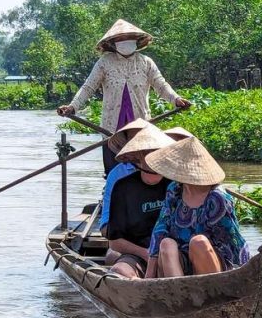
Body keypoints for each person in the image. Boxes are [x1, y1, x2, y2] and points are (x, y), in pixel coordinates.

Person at [56, 19, 191, 174]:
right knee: (113, 171)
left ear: (136, 41)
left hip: (141, 125)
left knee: (142, 168)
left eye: (128, 38)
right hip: (111, 127)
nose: (124, 42)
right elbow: (89, 87)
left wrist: (176, 99)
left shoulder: (146, 62)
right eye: (120, 39)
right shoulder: (104, 62)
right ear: (113, 43)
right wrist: (73, 106)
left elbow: (161, 84)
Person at [144, 136, 250, 277]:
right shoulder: (174, 190)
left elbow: (232, 242)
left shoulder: (217, 198)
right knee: (166, 244)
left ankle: (213, 293)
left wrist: (243, 277)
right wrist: (148, 277)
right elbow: (160, 229)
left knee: (198, 242)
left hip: (217, 267)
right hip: (181, 265)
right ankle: (180, 291)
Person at [105, 126, 177, 279]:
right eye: (147, 153)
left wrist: (160, 255)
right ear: (137, 156)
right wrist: (147, 254)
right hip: (138, 253)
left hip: (172, 252)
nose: (153, 157)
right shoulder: (123, 187)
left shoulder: (176, 185)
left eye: (158, 152)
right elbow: (115, 242)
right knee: (119, 272)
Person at [99, 120, 192, 236]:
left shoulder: (173, 174)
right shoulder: (118, 178)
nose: (142, 151)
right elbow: (107, 224)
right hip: (133, 237)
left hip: (167, 236)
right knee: (112, 254)